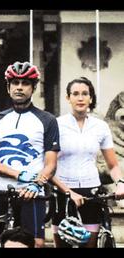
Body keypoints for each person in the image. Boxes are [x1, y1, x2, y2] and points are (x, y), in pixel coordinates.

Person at [0, 61, 60, 248]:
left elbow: (51, 164)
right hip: (2, 192)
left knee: (36, 244)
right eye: (15, 83)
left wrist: (36, 184)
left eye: (25, 83)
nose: (19, 87)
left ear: (33, 88)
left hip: (33, 194)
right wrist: (19, 175)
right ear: (8, 87)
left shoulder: (47, 120)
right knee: (1, 244)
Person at [50, 77, 124, 248]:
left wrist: (120, 183)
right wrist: (68, 192)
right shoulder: (56, 125)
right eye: (75, 94)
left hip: (91, 193)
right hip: (63, 194)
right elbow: (48, 167)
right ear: (68, 98)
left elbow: (112, 165)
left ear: (91, 98)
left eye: (85, 94)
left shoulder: (101, 127)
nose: (80, 98)